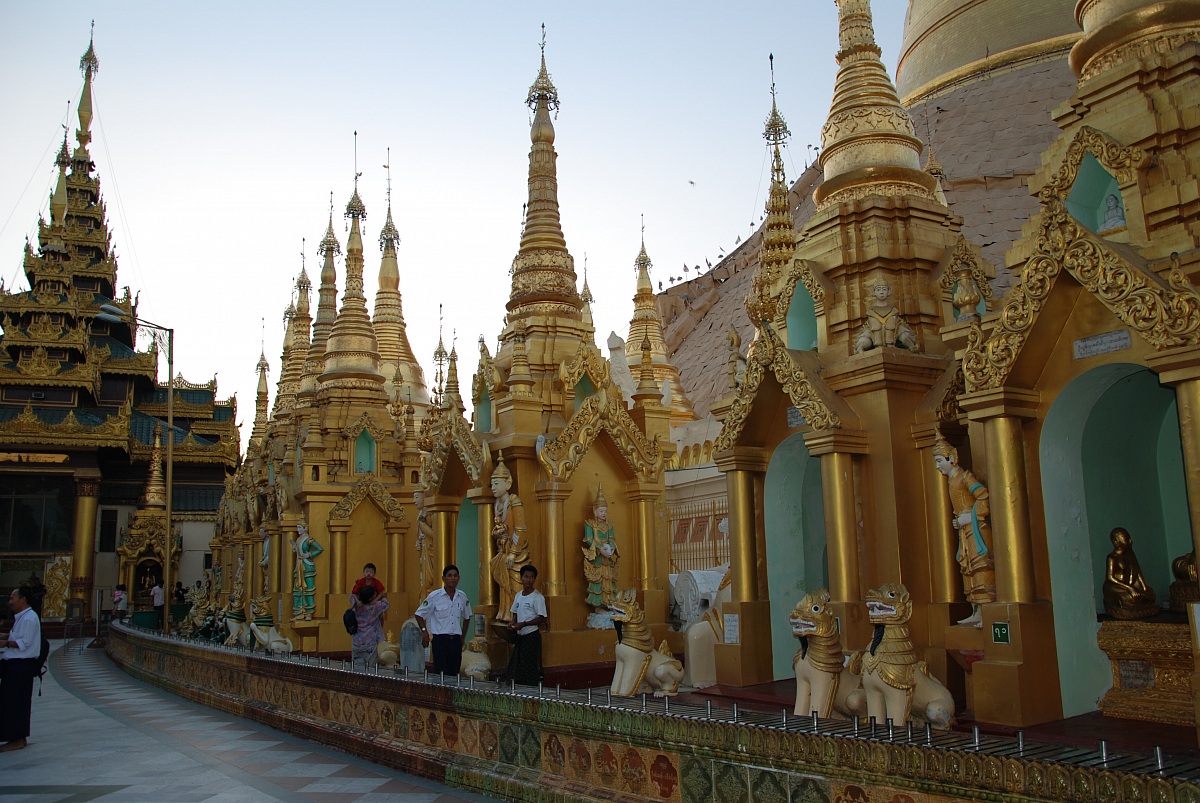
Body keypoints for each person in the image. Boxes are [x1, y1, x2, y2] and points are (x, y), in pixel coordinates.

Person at [932, 429, 996, 626]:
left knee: (980, 566)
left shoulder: (964, 477)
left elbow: (984, 497)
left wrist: (970, 517)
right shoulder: (952, 480)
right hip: (963, 529)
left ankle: (988, 611)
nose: (938, 466)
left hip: (976, 528)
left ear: (951, 458)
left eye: (940, 461)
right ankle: (976, 609)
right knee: (966, 568)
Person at [0, 586, 42, 752]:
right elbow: (17, 637)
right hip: (14, 664)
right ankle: (16, 736)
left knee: (16, 702)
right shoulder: (23, 618)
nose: (10, 602)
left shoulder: (29, 618)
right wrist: (4, 636)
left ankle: (17, 739)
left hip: (20, 665)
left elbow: (24, 644)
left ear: (23, 599)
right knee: (11, 701)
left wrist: (4, 643)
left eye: (13, 598)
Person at [414, 564, 472, 676]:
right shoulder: (435, 596)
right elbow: (419, 614)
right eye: (449, 576)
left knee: (454, 673)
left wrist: (462, 638)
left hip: (455, 641)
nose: (453, 578)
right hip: (440, 641)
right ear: (444, 579)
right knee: (440, 673)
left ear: (458, 578)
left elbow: (467, 617)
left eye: (455, 576)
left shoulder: (462, 596)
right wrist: (424, 632)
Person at [489, 461, 529, 624]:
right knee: (503, 583)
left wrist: (513, 552)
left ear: (508, 483)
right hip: (503, 548)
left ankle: (516, 614)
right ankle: (505, 611)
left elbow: (520, 528)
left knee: (515, 583)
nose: (493, 487)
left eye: (496, 483)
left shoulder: (514, 501)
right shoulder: (496, 503)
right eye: (492, 484)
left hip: (516, 551)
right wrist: (497, 533)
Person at [503, 565, 547, 686]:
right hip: (520, 636)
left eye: (531, 577)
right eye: (526, 577)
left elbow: (542, 618)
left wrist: (524, 624)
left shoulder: (537, 597)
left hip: (531, 635)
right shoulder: (518, 596)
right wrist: (513, 623)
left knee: (529, 665)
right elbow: (515, 613)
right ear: (521, 578)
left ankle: (531, 690)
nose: (528, 580)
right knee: (516, 664)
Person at [1103, 527, 1158, 619]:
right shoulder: (1112, 557)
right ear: (1116, 541)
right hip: (1117, 587)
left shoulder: (1130, 554)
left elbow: (1138, 572)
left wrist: (1144, 588)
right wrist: (1130, 589)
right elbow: (1110, 577)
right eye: (1127, 539)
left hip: (1131, 586)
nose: (1131, 541)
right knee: (1126, 598)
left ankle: (1135, 603)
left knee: (1151, 595)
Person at [853, 276, 918, 353]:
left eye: (884, 289)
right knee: (865, 340)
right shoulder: (871, 312)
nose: (881, 292)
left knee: (904, 336)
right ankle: (869, 347)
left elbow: (893, 327)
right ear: (873, 292)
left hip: (894, 336)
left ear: (889, 291)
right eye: (878, 289)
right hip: (874, 337)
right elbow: (875, 328)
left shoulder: (893, 311)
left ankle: (907, 346)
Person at [582, 483, 619, 614]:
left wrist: (612, 549)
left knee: (609, 581)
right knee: (598, 582)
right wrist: (600, 548)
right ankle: (598, 606)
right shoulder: (590, 524)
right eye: (601, 511)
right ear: (595, 511)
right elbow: (589, 540)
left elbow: (612, 539)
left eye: (605, 511)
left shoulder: (609, 525)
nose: (604, 514)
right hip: (597, 558)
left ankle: (609, 604)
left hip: (608, 559)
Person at [350, 586, 389, 671]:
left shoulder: (356, 604)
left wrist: (358, 585)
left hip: (356, 640)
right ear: (371, 598)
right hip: (370, 641)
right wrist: (381, 595)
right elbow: (386, 604)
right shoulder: (375, 606)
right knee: (370, 668)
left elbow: (352, 595)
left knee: (356, 667)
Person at [291, 519, 323, 621]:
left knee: (309, 590)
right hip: (299, 566)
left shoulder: (309, 540)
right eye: (297, 527)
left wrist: (309, 554)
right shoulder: (298, 539)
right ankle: (299, 612)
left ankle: (309, 613)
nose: (298, 529)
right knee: (298, 590)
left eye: (300, 527)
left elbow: (320, 549)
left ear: (305, 528)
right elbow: (298, 551)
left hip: (307, 566)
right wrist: (295, 547)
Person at [414, 490, 438, 597]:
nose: (414, 501)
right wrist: (418, 542)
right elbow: (419, 535)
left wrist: (424, 526)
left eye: (417, 497)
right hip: (424, 550)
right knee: (423, 580)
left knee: (430, 580)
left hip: (431, 549)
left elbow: (437, 535)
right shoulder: (420, 514)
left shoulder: (430, 514)